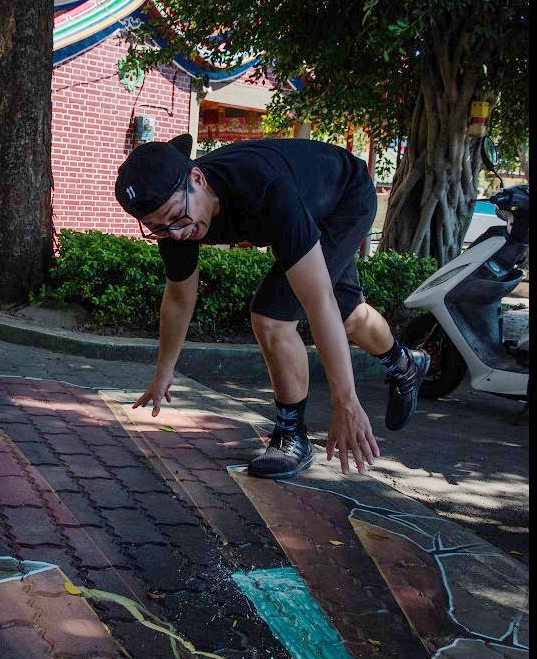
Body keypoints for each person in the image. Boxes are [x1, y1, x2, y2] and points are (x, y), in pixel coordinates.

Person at [114, 133, 430, 477]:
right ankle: (405, 365)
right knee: (350, 316)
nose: (175, 234)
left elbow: (317, 300)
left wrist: (346, 400)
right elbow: (178, 296)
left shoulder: (264, 188)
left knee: (271, 316)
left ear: (198, 179)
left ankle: (291, 435)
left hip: (342, 201)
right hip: (306, 200)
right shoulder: (175, 216)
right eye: (158, 228)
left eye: (176, 219)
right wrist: (164, 371)